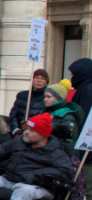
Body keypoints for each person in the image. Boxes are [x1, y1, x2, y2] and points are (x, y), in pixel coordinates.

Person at [0, 113, 72, 200]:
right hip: (10, 179)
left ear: (43, 135)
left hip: (36, 186)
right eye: (27, 128)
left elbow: (65, 171)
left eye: (32, 130)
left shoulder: (54, 151)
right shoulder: (19, 141)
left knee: (24, 191)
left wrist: (36, 175)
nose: (26, 132)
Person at [68, 58, 92, 199]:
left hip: (87, 148)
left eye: (73, 75)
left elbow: (85, 119)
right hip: (84, 146)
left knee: (88, 187)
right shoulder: (84, 88)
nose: (72, 78)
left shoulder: (88, 89)